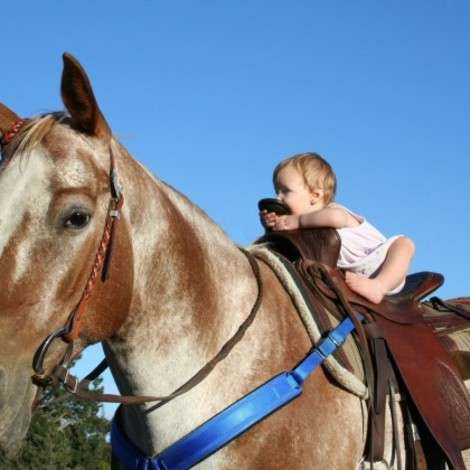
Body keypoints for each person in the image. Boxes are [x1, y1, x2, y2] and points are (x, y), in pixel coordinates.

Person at [260, 152, 415, 304]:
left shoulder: (331, 211)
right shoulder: (302, 228)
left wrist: (297, 221)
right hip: (354, 276)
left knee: (403, 243)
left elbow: (337, 219)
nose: (278, 198)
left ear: (315, 195)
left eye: (286, 191)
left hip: (382, 262)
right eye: (276, 191)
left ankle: (378, 287)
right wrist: (272, 227)